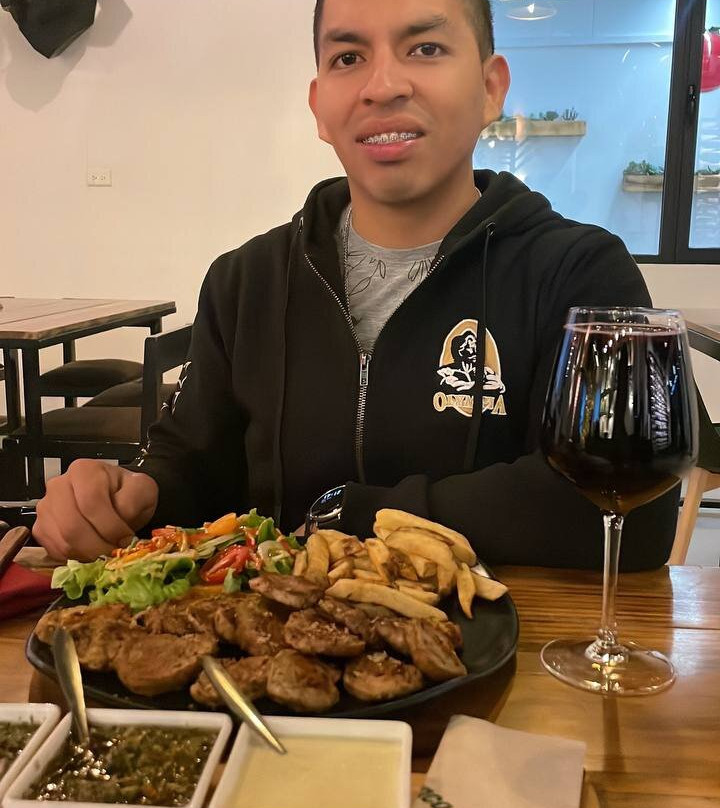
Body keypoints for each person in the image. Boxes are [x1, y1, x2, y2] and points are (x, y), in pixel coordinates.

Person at [33, 0, 679, 570]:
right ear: (319, 106)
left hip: (501, 660)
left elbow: (631, 519)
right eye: (349, 57)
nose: (383, 85)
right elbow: (192, 465)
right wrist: (132, 493)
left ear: (490, 88)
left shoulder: (581, 274)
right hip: (274, 660)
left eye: (425, 48)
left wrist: (363, 515)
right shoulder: (245, 281)